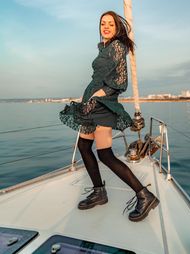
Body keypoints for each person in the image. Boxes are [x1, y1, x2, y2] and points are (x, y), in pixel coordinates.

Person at [60, 11, 159, 222]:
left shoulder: (116, 46)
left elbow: (121, 81)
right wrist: (86, 97)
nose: (106, 27)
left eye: (110, 24)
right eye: (103, 23)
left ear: (117, 27)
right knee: (84, 147)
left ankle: (144, 195)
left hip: (102, 106)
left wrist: (98, 94)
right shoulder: (104, 47)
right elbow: (99, 77)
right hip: (91, 105)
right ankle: (99, 192)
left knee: (105, 154)